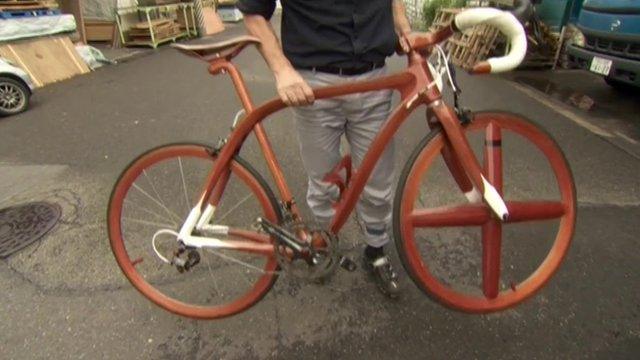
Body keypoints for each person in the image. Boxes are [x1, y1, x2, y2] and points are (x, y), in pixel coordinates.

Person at [238, 0, 414, 298]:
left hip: (375, 79)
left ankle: (376, 250)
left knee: (377, 181)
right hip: (313, 85)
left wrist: (402, 25)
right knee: (323, 182)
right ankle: (321, 248)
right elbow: (253, 11)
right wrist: (282, 70)